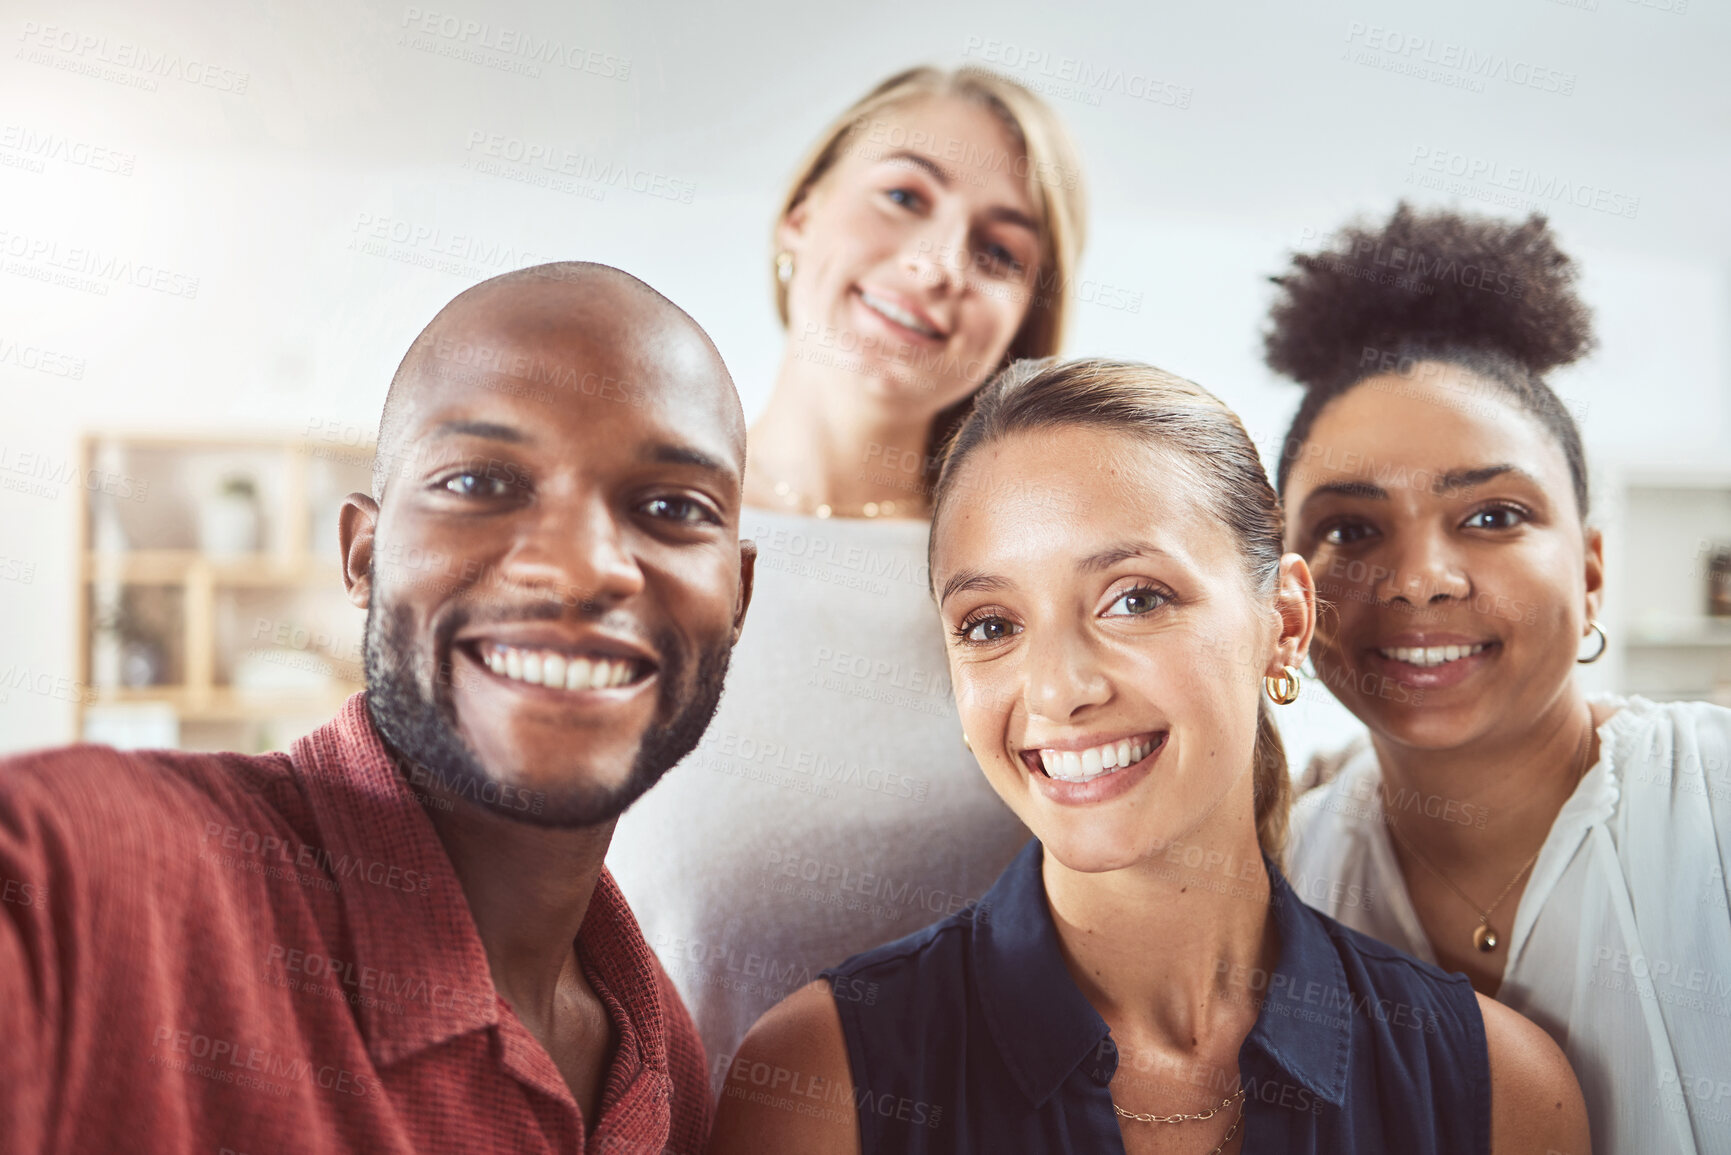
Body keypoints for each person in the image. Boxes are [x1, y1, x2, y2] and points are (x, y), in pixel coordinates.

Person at [709, 357, 1589, 1154]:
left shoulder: (1495, 1089)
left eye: (1134, 599)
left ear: (1283, 622)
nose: (1057, 688)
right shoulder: (823, 1084)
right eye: (991, 624)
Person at [0, 263, 756, 1155]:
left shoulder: (664, 1056)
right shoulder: (88, 877)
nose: (581, 565)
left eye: (672, 506)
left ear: (737, 595)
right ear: (362, 555)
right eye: (479, 483)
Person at [606, 64, 1087, 1067]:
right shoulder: (623, 536)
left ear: (1022, 317)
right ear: (801, 214)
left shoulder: (1036, 584)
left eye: (999, 250)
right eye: (905, 196)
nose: (940, 261)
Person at [1266, 204, 1731, 1154]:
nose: (1420, 578)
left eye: (1491, 515)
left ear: (1591, 570)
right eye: (1351, 528)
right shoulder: (1281, 879)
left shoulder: (1714, 806)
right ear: (1290, 594)